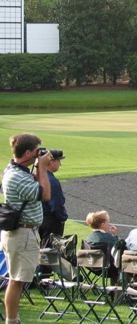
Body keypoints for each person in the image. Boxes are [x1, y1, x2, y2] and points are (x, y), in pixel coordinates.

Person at [1, 134, 52, 324]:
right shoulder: (16, 176)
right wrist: (44, 168)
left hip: (23, 233)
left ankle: (13, 319)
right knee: (17, 280)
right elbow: (45, 194)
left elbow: (36, 186)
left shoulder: (15, 170)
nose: (40, 153)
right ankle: (12, 321)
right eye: (37, 151)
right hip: (21, 234)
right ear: (29, 152)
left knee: (18, 279)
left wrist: (38, 165)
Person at [38, 154, 68, 247]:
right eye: (59, 161)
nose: (60, 164)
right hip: (51, 222)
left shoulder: (37, 176)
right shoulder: (52, 180)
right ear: (51, 162)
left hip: (38, 219)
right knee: (49, 253)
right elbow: (56, 205)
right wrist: (63, 217)